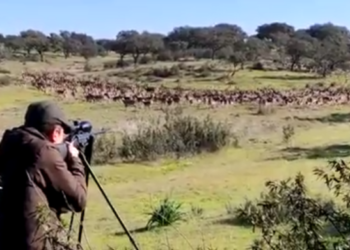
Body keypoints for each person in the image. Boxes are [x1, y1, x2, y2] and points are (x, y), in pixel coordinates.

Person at [0, 100, 87, 250]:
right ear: (56, 133)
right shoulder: (44, 152)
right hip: (36, 243)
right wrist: (74, 159)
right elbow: (79, 200)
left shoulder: (11, 142)